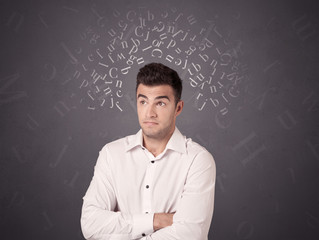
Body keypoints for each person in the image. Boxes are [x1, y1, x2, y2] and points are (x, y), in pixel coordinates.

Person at [81, 62, 216, 240]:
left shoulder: (198, 160)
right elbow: (90, 224)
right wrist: (156, 220)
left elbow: (190, 234)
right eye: (143, 101)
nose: (149, 113)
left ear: (178, 108)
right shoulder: (111, 154)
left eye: (160, 103)